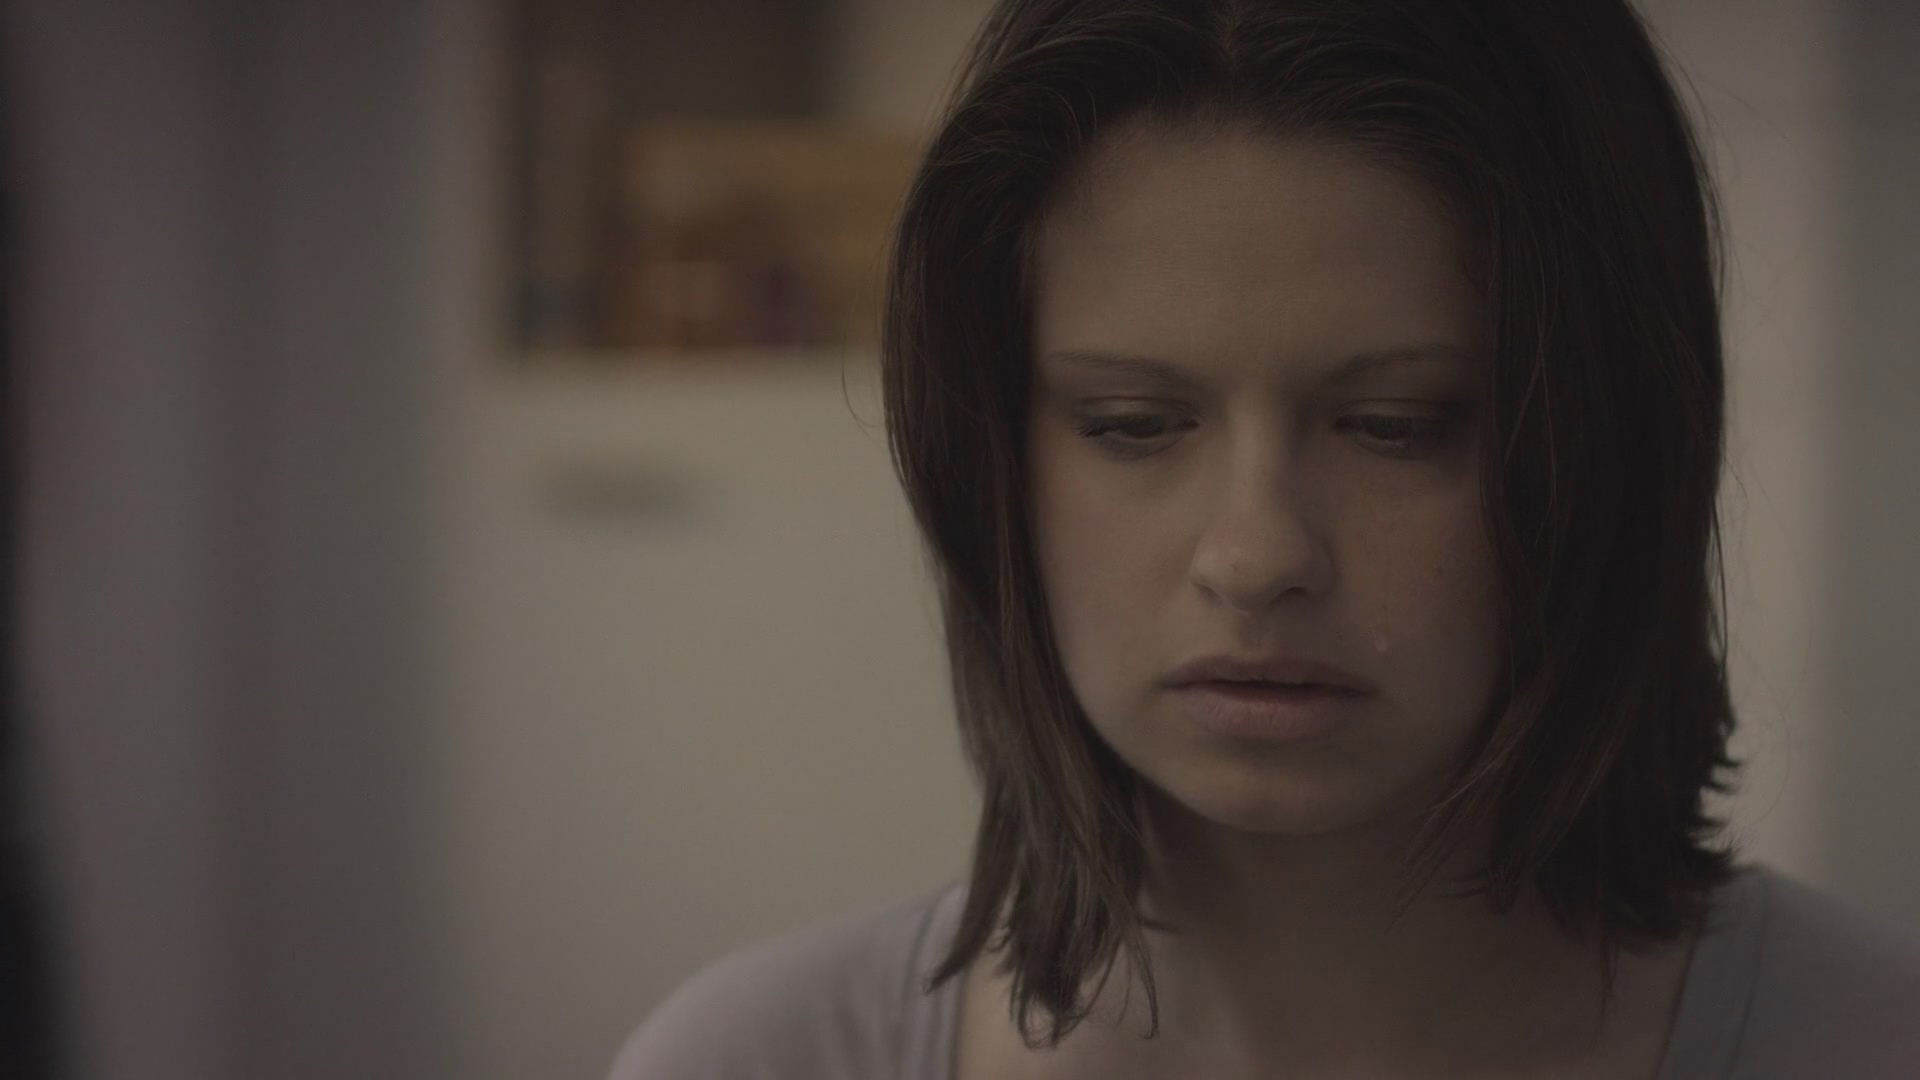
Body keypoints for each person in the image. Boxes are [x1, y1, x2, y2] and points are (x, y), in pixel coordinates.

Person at [611, 1, 1920, 1076]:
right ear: (993, 463)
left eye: (1397, 426)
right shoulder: (755, 1057)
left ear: (1609, 452)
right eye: (1132, 424)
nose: (1253, 555)